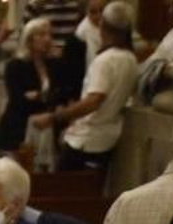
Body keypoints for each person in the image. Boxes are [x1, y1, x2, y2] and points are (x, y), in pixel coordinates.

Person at [31, 1, 138, 173]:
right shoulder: (130, 58)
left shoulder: (105, 60)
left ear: (103, 25)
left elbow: (93, 101)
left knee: (59, 191)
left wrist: (53, 117)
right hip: (108, 137)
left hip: (87, 141)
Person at [0, 18, 59, 152]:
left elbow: (59, 94)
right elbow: (18, 100)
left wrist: (37, 96)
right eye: (41, 35)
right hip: (18, 127)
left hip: (46, 125)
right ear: (29, 39)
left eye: (49, 35)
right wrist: (42, 97)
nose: (47, 39)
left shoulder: (54, 64)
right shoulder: (15, 66)